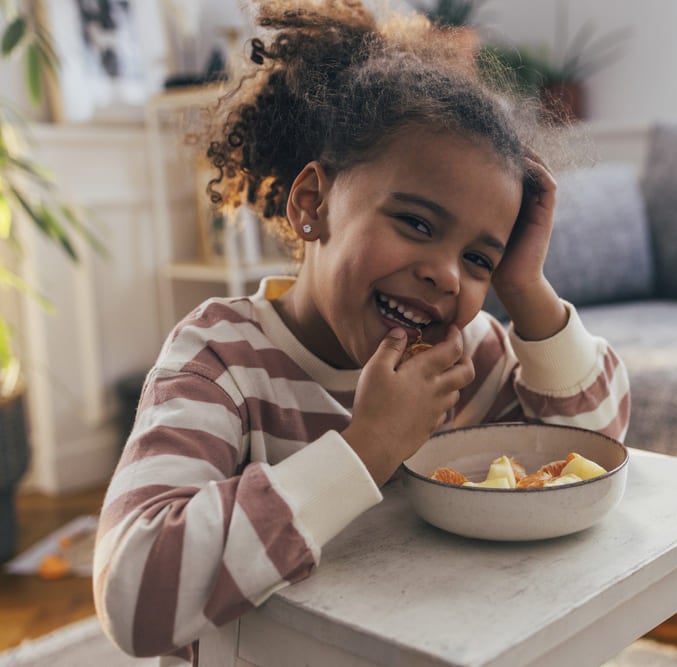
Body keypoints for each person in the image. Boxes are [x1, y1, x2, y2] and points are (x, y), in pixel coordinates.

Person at [93, 1, 630, 663]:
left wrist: (525, 290)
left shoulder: (463, 360)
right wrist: (368, 445)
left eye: (478, 259)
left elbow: (598, 448)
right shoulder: (222, 359)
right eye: (417, 223)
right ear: (313, 205)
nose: (444, 275)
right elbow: (134, 594)